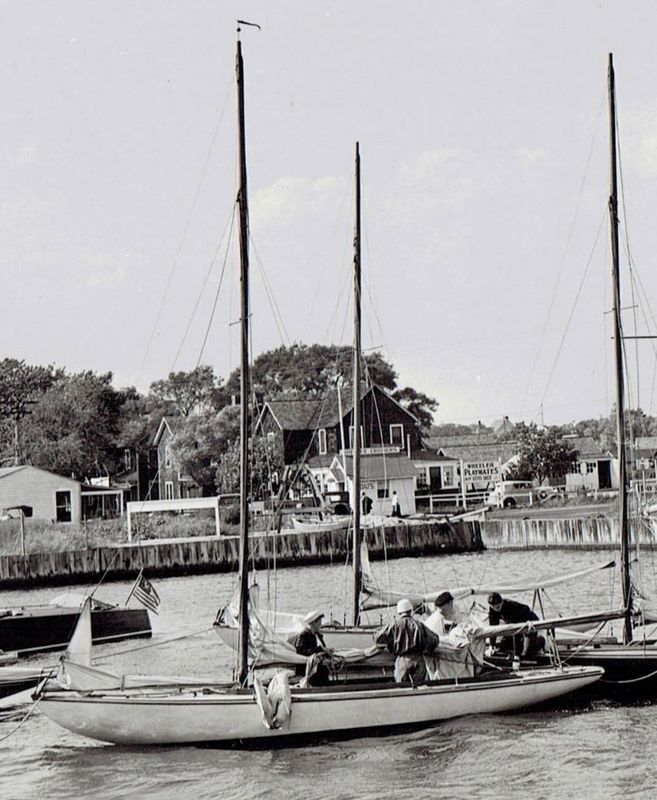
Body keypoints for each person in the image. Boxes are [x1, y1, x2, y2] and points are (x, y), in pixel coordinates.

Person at [374, 598, 440, 683]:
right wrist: (426, 649)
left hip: (403, 660)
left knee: (402, 686)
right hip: (418, 660)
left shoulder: (394, 626)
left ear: (399, 612)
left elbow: (378, 638)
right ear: (410, 610)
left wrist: (390, 646)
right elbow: (434, 640)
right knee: (419, 686)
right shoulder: (419, 625)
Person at [487, 592, 543, 657]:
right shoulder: (493, 609)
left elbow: (517, 632)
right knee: (503, 646)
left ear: (502, 602)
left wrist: (517, 655)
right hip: (514, 624)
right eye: (493, 608)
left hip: (529, 621)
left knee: (528, 652)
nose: (496, 610)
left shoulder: (511, 607)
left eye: (498, 607)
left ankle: (541, 640)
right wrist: (491, 645)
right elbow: (493, 628)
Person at [293, 609, 331, 685]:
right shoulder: (303, 635)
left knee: (325, 667)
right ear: (314, 622)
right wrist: (320, 649)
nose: (321, 624)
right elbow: (301, 651)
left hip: (315, 663)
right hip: (305, 666)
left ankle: (326, 686)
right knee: (322, 669)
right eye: (319, 622)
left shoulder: (316, 635)